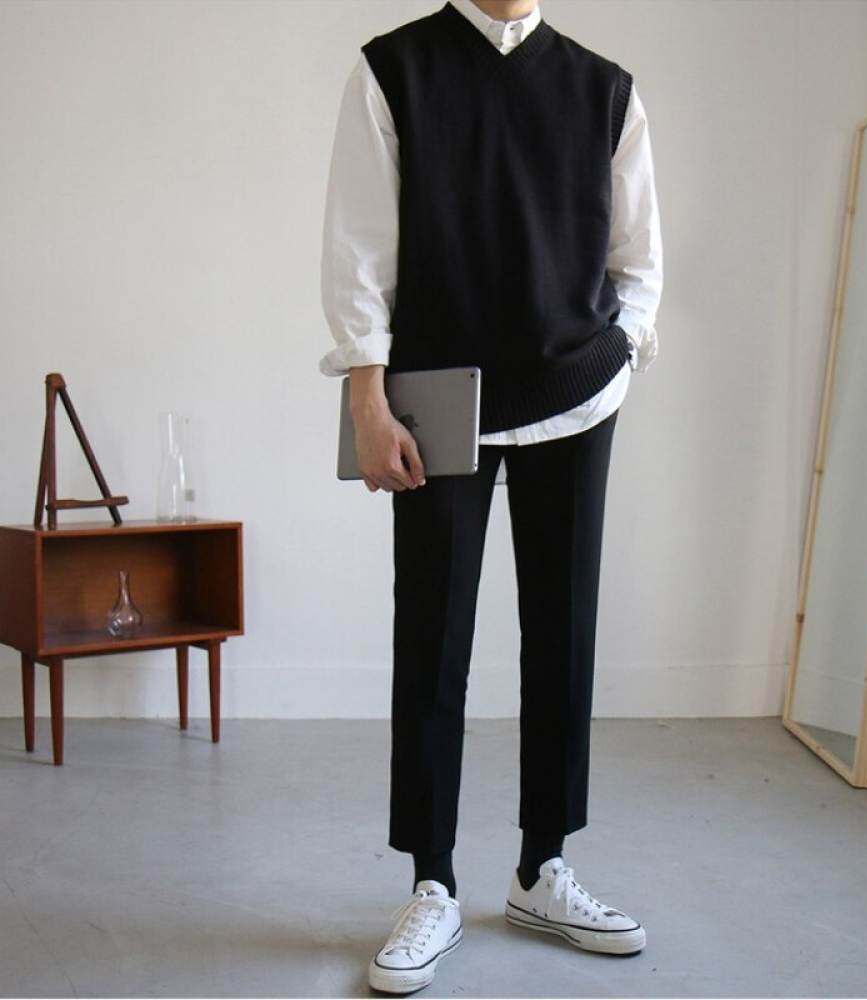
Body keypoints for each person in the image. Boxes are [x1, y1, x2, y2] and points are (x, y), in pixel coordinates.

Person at [319, 0, 663, 992]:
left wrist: (620, 356)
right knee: (431, 634)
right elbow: (359, 249)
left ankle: (540, 869)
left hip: (576, 392)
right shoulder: (394, 70)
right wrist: (366, 396)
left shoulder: (604, 89)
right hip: (436, 398)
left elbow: (639, 257)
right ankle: (430, 881)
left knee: (563, 632)